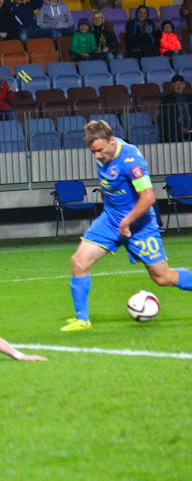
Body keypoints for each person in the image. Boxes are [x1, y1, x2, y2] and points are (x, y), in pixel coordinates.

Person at [63, 120, 192, 331]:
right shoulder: (105, 152)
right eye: (93, 151)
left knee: (163, 278)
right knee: (78, 262)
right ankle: (82, 319)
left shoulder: (131, 161)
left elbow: (148, 198)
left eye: (100, 150)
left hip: (140, 226)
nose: (97, 156)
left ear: (111, 140)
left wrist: (126, 222)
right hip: (110, 220)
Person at [159, 74, 192, 143]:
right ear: (172, 86)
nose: (179, 86)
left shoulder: (190, 98)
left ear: (184, 85)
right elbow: (167, 119)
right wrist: (180, 129)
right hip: (174, 131)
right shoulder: (166, 100)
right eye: (176, 84)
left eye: (181, 84)